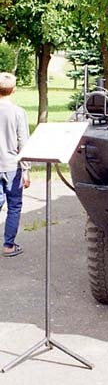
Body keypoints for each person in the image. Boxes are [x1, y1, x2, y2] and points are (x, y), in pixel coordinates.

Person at [0, 72, 30, 257]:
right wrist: (26, 170)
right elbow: (23, 143)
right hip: (12, 166)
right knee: (14, 206)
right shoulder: (18, 112)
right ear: (14, 90)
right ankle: (8, 245)